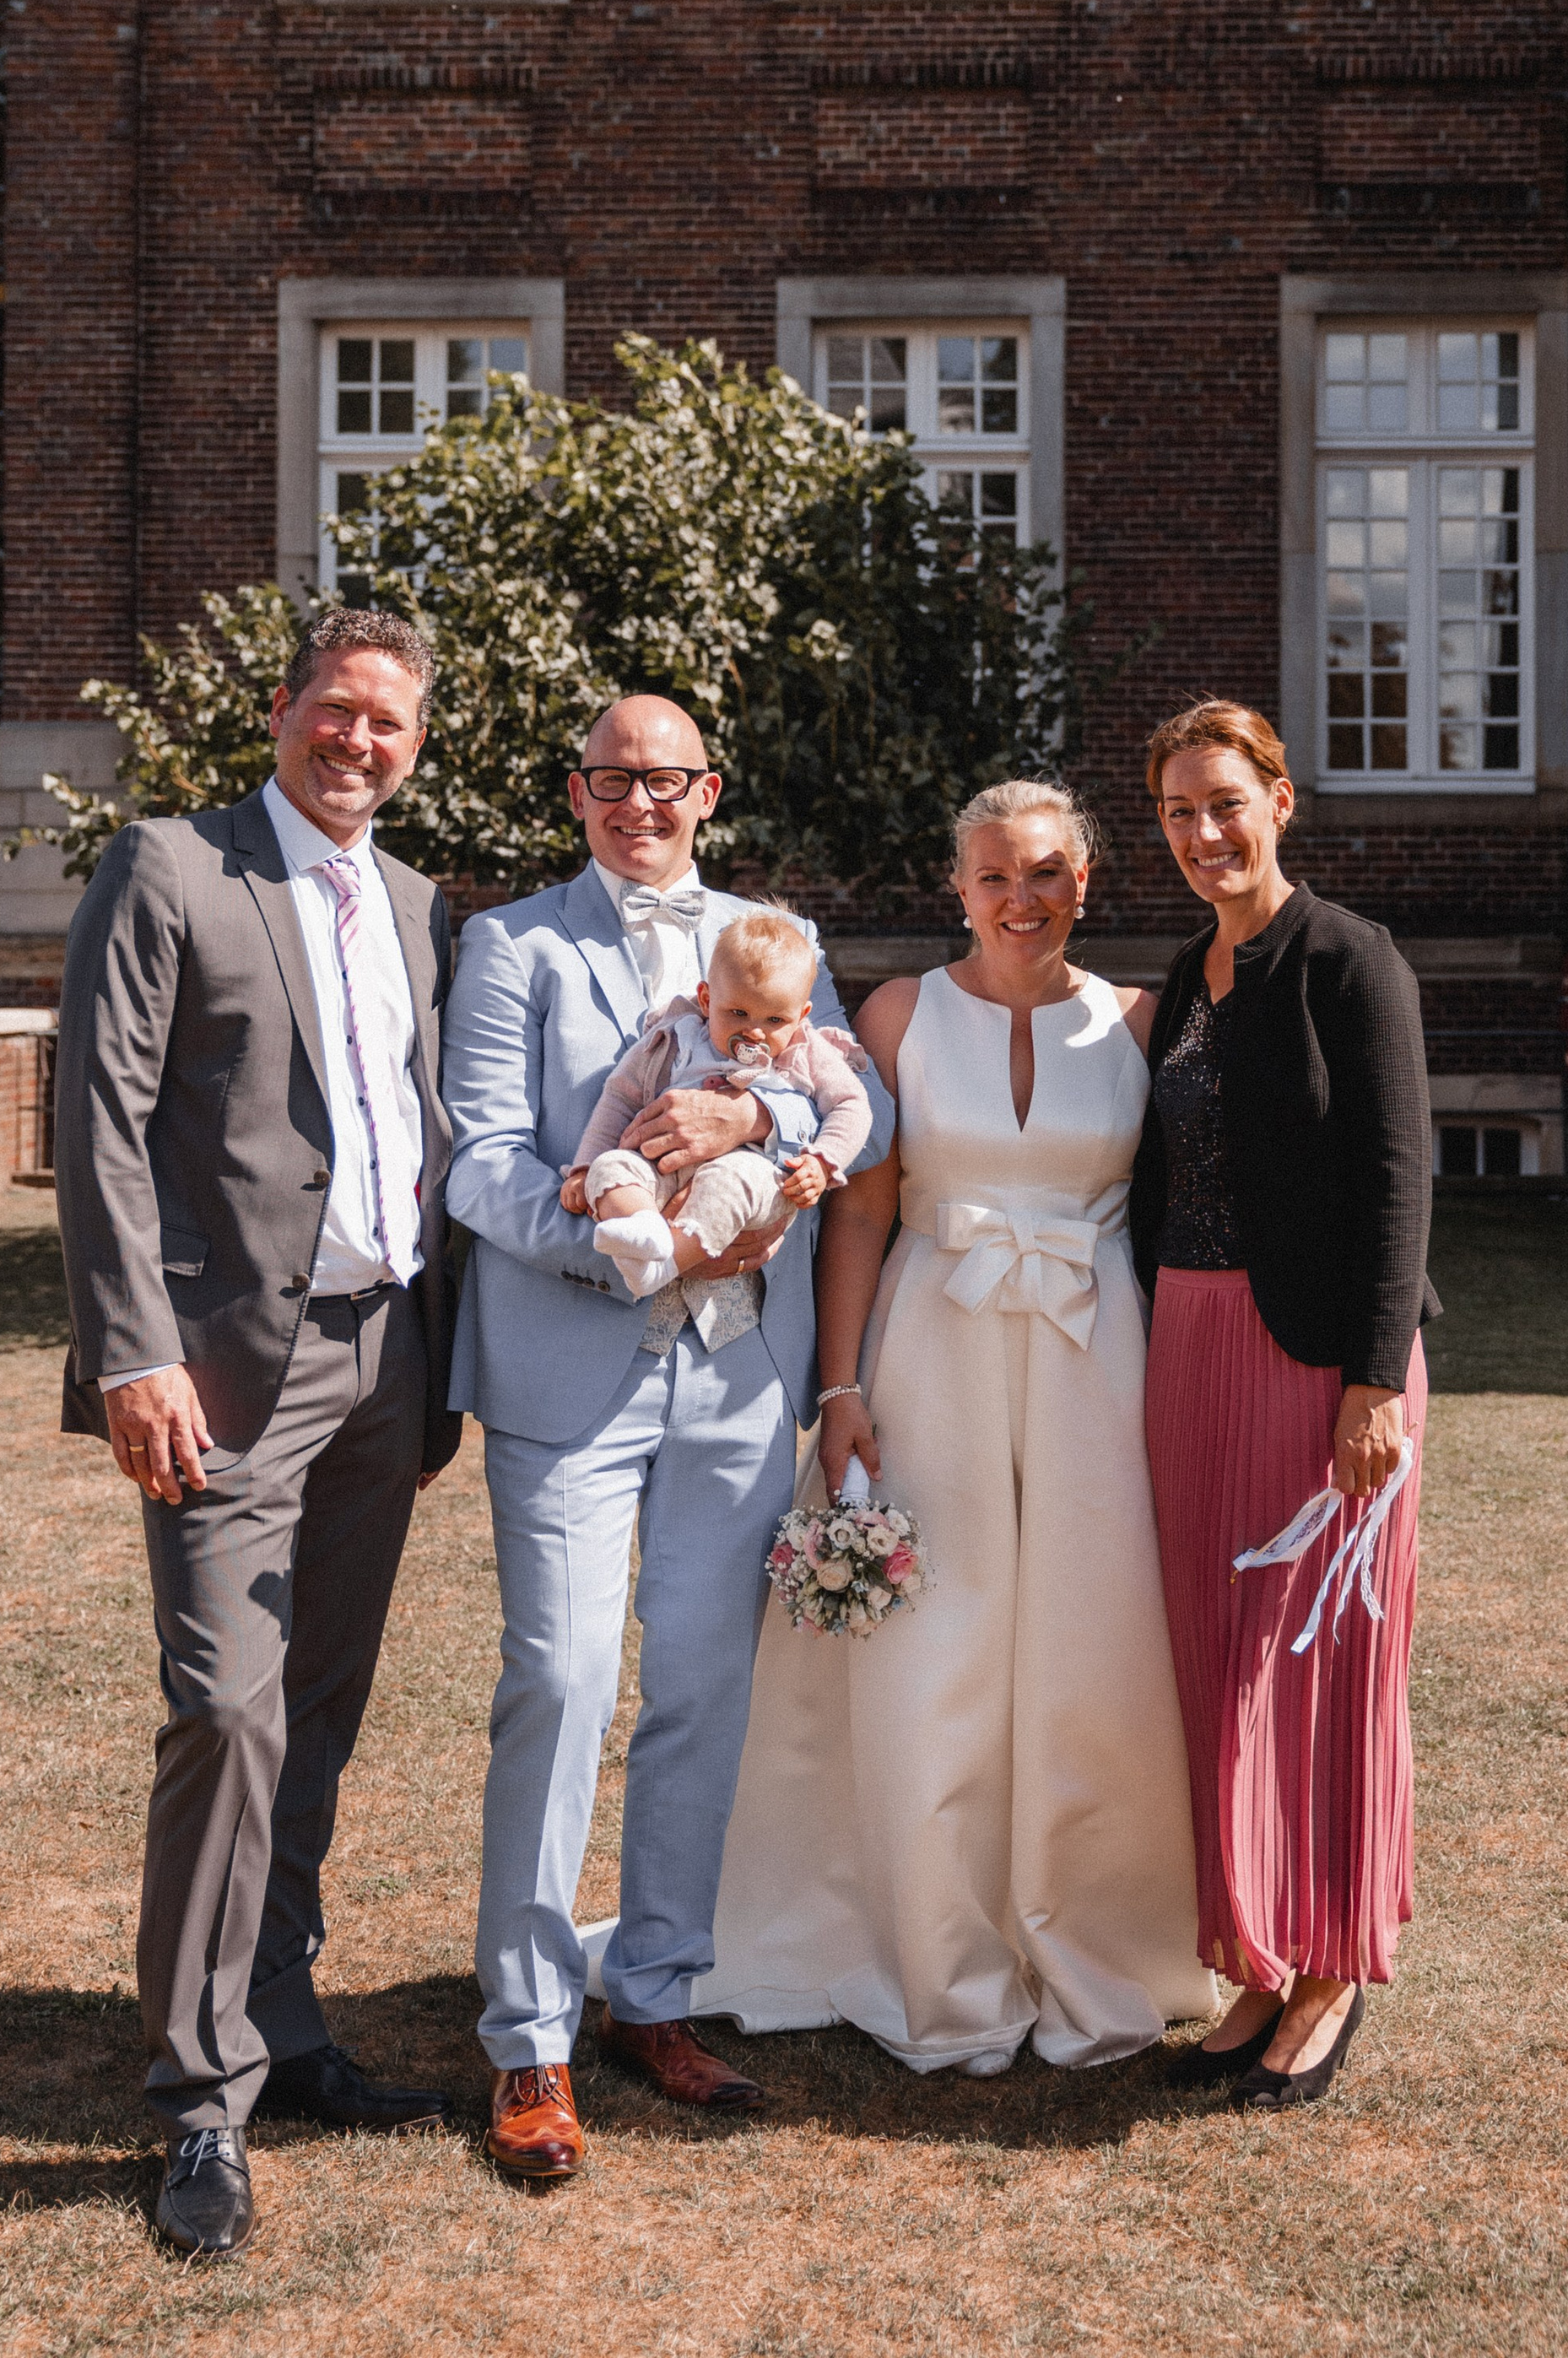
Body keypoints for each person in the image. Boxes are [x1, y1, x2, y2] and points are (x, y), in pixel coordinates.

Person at [693, 779, 1214, 2074]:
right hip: (933, 1348)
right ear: (957, 888)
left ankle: (1100, 1926)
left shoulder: (1144, 1021)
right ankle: (933, 1938)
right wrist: (840, 1387)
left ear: (1084, 883)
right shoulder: (896, 1014)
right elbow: (861, 1214)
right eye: (994, 876)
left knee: (1094, 1642)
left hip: (1099, 1362)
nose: (1020, 898)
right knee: (942, 1643)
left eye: (1045, 873)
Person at [441, 697, 892, 2179]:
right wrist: (621, 1234)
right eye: (612, 779)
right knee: (561, 1681)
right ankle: (527, 2041)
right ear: (577, 793)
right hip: (575, 1355)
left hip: (737, 1384)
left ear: (711, 787)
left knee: (702, 1687)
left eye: (669, 779)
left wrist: (761, 1143)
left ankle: (656, 1992)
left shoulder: (773, 932)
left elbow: (856, 1100)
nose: (641, 801)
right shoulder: (514, 945)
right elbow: (484, 1161)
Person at [56, 605, 459, 2258]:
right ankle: (203, 2104)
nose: (357, 742)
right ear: (283, 708)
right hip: (224, 1368)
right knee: (223, 1710)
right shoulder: (172, 868)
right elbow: (97, 1115)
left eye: (389, 724)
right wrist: (127, 1356)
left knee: (320, 1707)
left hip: (389, 1363)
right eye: (336, 711)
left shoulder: (422, 906)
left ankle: (281, 2026)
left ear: (414, 744)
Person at [1132, 697, 1436, 2112]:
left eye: (1225, 803)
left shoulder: (1348, 961)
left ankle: (1329, 1973)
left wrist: (1375, 1378)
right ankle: (1255, 1956)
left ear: (1280, 801)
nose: (1205, 833)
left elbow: (1398, 1178)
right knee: (1218, 1656)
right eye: (1181, 812)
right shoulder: (1189, 975)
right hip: (1189, 1346)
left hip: (1320, 1363)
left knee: (1318, 1663)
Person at [562, 900, 873, 1295]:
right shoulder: (677, 1036)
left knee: (727, 1183)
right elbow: (619, 1098)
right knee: (611, 1169)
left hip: (755, 1173)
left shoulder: (806, 1049)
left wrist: (823, 1160)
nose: (755, 1032)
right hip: (662, 1167)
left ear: (802, 1014)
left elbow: (853, 1105)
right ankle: (643, 1234)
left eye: (774, 1020)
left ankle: (666, 1264)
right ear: (707, 1000)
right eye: (738, 1012)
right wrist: (584, 1166)